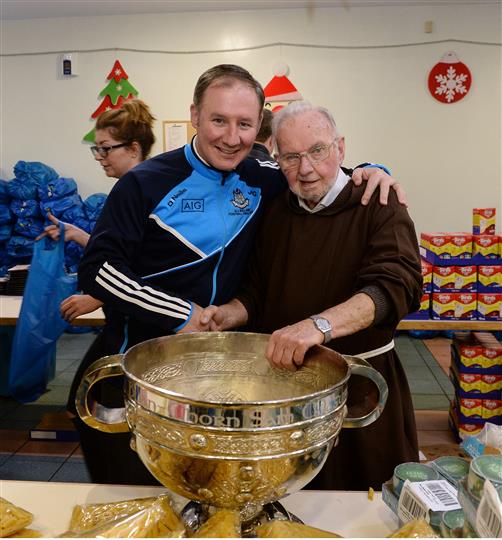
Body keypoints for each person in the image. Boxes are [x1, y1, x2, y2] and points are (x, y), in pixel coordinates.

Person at [76, 64, 406, 485]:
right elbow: (97, 270)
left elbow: (320, 169)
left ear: (259, 127)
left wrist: (373, 170)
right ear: (194, 115)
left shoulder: (264, 177)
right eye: (219, 120)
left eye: (245, 124)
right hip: (142, 374)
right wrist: (179, 314)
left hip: (226, 386)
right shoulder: (144, 183)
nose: (232, 138)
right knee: (143, 502)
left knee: (222, 499)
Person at [200, 101, 423, 491]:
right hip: (289, 390)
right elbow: (258, 290)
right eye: (291, 157)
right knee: (292, 499)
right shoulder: (275, 213)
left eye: (317, 151)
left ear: (340, 147)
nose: (305, 169)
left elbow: (395, 286)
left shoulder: (379, 204)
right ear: (276, 158)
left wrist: (319, 326)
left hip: (362, 388)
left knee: (362, 505)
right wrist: (229, 314)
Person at [40, 99, 160, 485]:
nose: (100, 157)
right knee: (87, 402)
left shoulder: (140, 189)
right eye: (98, 148)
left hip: (133, 330)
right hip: (125, 323)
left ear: (134, 149)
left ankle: (118, 490)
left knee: (96, 408)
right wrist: (77, 235)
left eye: (107, 148)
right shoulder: (139, 188)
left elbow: (152, 267)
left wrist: (98, 295)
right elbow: (127, 253)